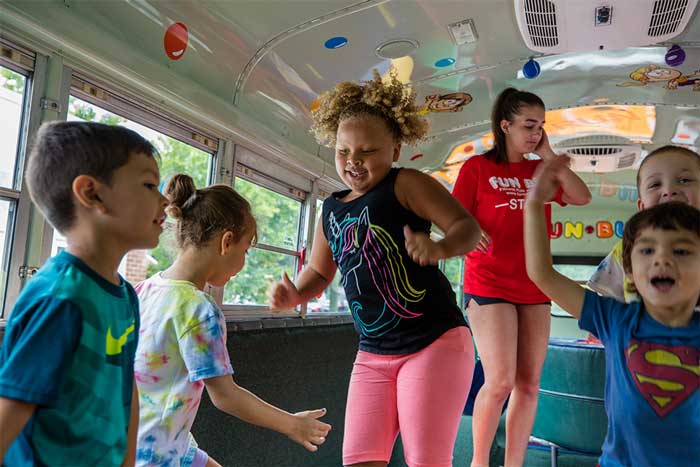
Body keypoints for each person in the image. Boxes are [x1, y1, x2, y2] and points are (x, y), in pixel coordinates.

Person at [268, 69, 481, 467]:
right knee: (360, 459)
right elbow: (320, 272)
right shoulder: (330, 208)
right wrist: (296, 293)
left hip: (432, 341)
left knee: (426, 460)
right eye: (343, 151)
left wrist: (439, 248)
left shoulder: (406, 184)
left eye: (367, 151)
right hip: (372, 354)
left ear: (395, 149)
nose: (353, 162)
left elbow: (467, 228)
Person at [134, 174, 331, 467]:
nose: (243, 263)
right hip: (157, 456)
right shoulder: (199, 309)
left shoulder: (144, 289)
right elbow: (225, 396)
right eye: (245, 251)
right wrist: (293, 424)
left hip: (148, 441)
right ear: (227, 243)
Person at [0, 121, 167, 466]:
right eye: (150, 184)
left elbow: (125, 387)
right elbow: (11, 408)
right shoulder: (61, 300)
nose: (164, 200)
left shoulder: (124, 296)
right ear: (92, 193)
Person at [525, 157, 700, 467]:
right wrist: (535, 204)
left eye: (681, 251)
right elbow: (542, 273)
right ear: (629, 271)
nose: (662, 259)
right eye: (648, 250)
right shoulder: (615, 320)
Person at [451, 88, 591, 467]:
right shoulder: (476, 169)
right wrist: (466, 236)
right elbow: (451, 219)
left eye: (541, 127)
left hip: (534, 285)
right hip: (489, 283)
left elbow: (581, 197)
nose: (535, 133)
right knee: (500, 381)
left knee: (529, 385)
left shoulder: (539, 170)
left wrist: (548, 158)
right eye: (529, 125)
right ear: (505, 125)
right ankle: (479, 462)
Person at [588, 145, 700, 303]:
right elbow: (606, 308)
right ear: (642, 207)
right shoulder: (626, 250)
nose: (669, 190)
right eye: (655, 185)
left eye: (684, 180)